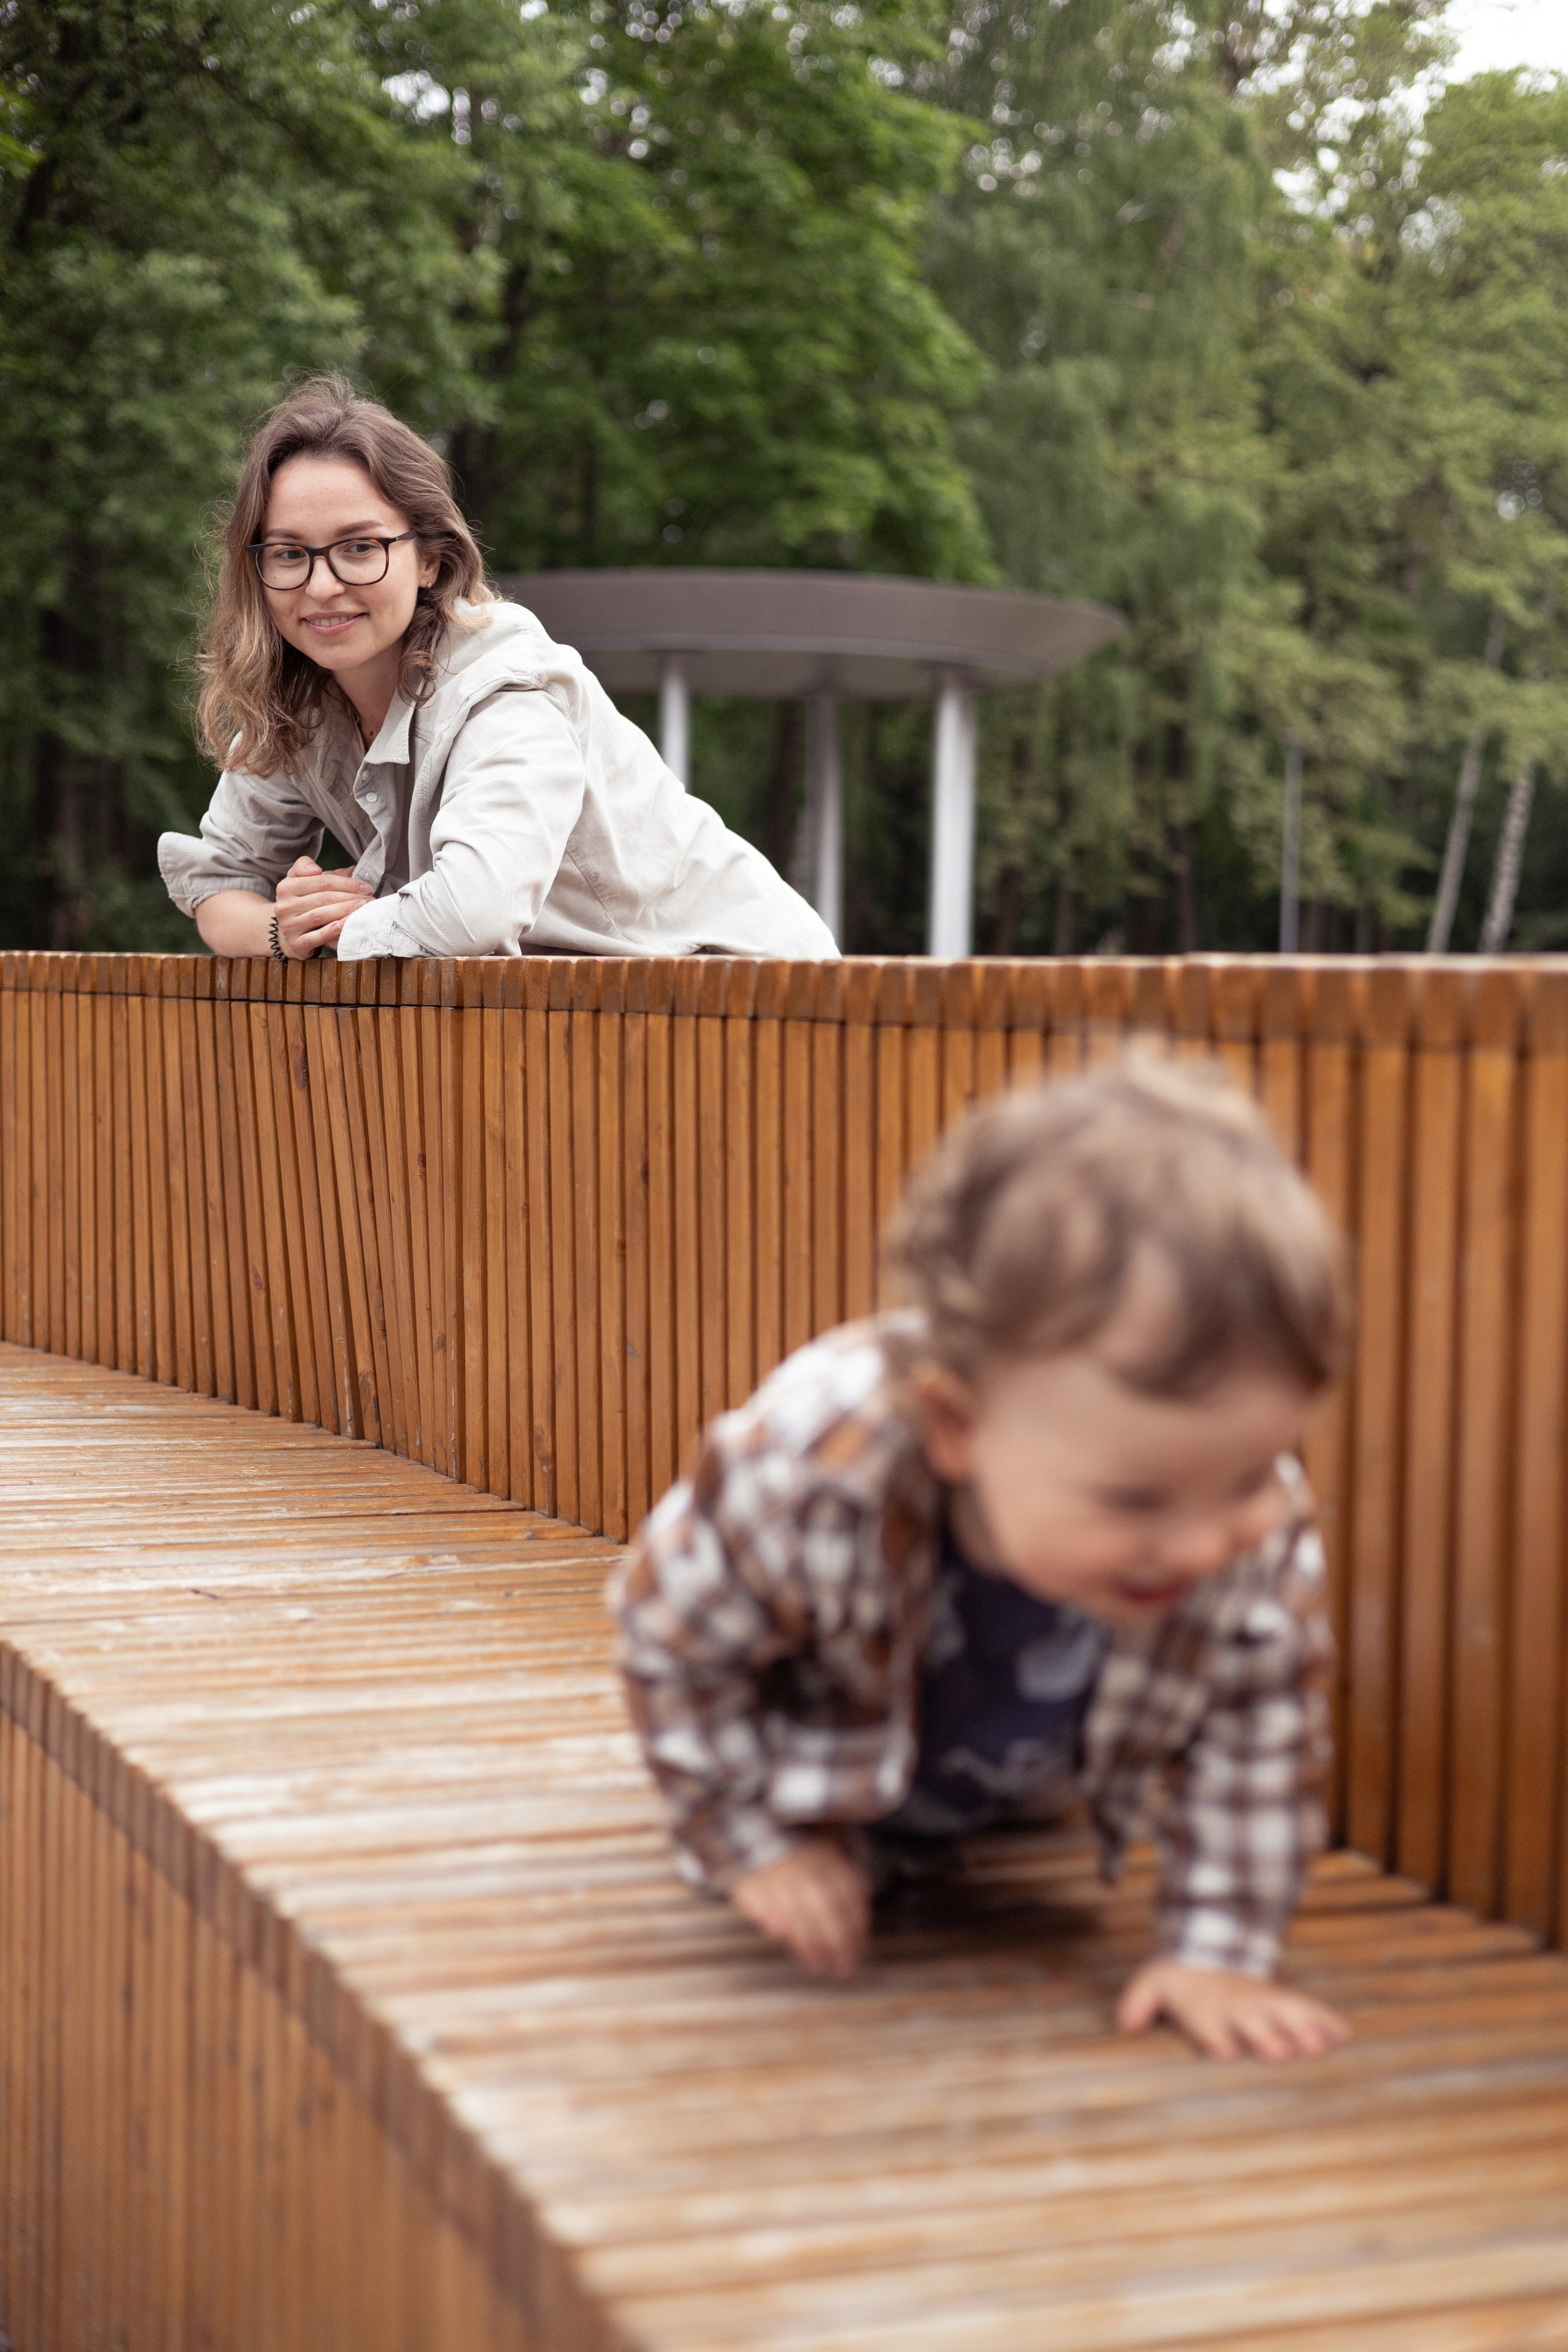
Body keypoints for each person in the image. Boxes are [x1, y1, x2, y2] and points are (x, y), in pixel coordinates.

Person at [614, 1058, 1354, 2064]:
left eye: (1254, 1471)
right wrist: (753, 1841)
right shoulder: (816, 1471)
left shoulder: (1242, 1515)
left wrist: (1218, 1949)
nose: (1203, 1542)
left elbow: (1261, 1725)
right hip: (813, 1776)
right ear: (959, 1427)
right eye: (1136, 1498)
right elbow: (671, 1639)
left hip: (1011, 1806)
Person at [158, 375, 836, 963]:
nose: (322, 585)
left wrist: (338, 926)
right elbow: (220, 885)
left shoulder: (504, 685)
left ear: (430, 559)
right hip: (594, 1020)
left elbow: (471, 913)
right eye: (287, 554)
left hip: (750, 994)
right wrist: (285, 929)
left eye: (359, 547)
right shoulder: (298, 702)